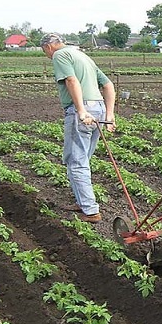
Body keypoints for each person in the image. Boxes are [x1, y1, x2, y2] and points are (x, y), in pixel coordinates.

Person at [40, 33, 116, 223]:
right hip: (98, 108)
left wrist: (81, 110)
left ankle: (91, 211)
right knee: (83, 159)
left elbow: (71, 81)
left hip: (82, 109)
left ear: (48, 47)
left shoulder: (59, 55)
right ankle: (83, 201)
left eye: (44, 52)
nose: (47, 56)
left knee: (76, 161)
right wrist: (109, 114)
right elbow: (107, 85)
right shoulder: (82, 56)